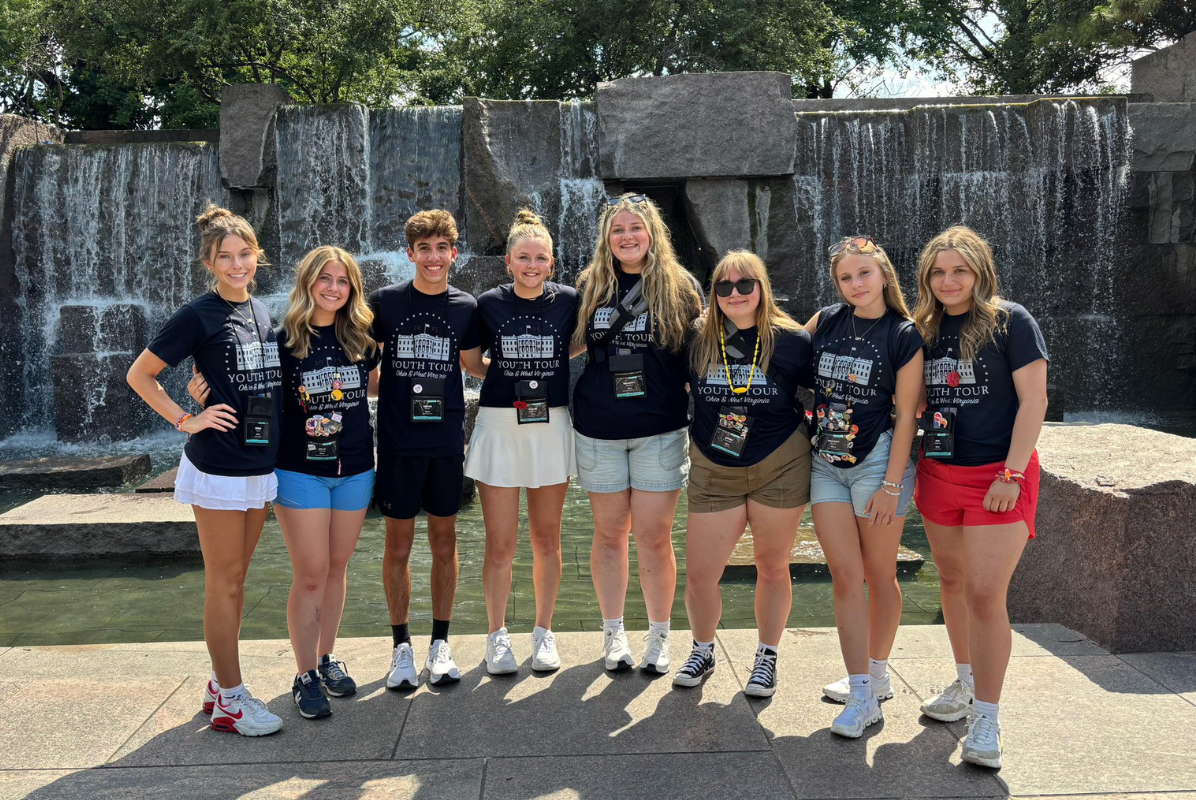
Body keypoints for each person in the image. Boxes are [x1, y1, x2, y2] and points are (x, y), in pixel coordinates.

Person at [126, 205, 283, 736]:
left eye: (244, 254)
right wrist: (186, 419)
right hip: (217, 466)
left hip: (259, 466)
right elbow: (140, 374)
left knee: (237, 582)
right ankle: (234, 701)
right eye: (226, 257)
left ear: (257, 256)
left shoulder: (263, 314)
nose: (237, 264)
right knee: (226, 583)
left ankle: (219, 687)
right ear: (210, 263)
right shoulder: (198, 314)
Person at [912, 226, 1049, 769]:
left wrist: (1011, 474)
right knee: (951, 581)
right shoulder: (921, 329)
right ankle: (966, 682)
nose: (948, 281)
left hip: (1000, 476)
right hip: (939, 472)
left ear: (979, 272)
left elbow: (1034, 401)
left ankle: (987, 717)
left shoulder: (1011, 321)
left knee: (987, 594)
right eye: (938, 272)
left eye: (959, 271)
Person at [571, 193, 703, 673]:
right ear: (607, 238)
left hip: (660, 429)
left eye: (635, 228)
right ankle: (613, 634)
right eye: (617, 229)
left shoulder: (680, 286)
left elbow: (698, 356)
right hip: (599, 428)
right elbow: (565, 348)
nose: (627, 237)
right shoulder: (589, 285)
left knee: (653, 537)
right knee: (609, 536)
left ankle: (660, 635)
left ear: (652, 234)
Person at [672, 251, 814, 697]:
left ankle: (766, 656)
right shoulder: (696, 338)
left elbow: (833, 390)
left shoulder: (791, 341)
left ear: (762, 287)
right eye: (724, 286)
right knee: (699, 575)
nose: (735, 293)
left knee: (772, 567)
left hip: (781, 463)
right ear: (712, 293)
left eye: (745, 284)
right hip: (715, 468)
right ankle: (702, 648)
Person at [803, 236, 924, 738]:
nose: (856, 284)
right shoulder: (827, 320)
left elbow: (907, 416)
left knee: (879, 574)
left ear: (884, 275)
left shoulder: (904, 333)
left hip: (877, 464)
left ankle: (878, 673)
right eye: (846, 277)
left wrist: (892, 486)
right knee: (845, 577)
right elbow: (777, 341)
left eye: (864, 274)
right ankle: (861, 693)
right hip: (825, 462)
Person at [370, 210, 482, 689]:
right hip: (397, 443)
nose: (433, 257)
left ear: (453, 253)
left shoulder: (466, 307)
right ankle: (400, 648)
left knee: (444, 543)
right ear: (409, 253)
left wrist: (544, 375)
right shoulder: (384, 302)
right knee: (397, 545)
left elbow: (476, 366)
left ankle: (440, 643)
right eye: (424, 249)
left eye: (442, 248)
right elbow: (368, 373)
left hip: (444, 443)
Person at [465, 210, 579, 674]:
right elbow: (473, 363)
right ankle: (496, 636)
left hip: (551, 424)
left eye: (540, 258)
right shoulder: (486, 303)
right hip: (500, 424)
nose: (531, 265)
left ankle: (543, 632)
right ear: (508, 262)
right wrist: (515, 375)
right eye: (523, 257)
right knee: (500, 543)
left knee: (547, 540)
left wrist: (542, 367)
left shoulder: (570, 300)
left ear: (551, 263)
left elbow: (575, 345)